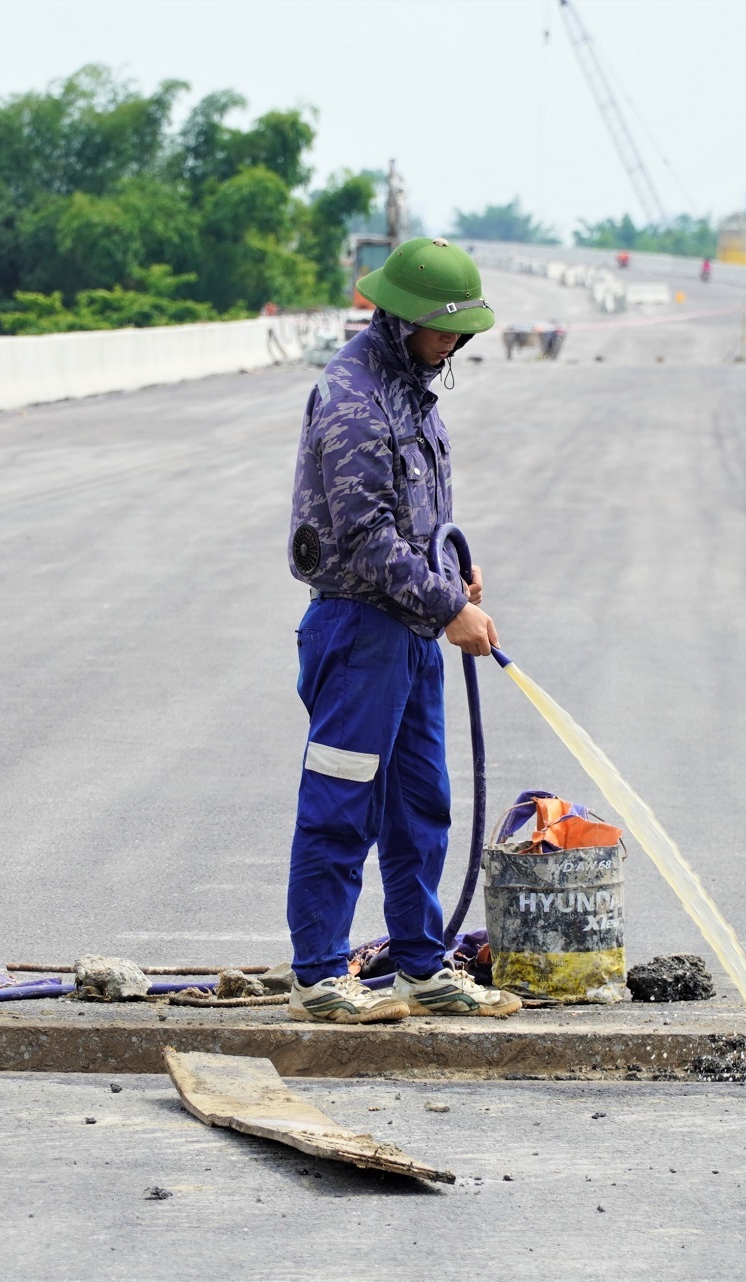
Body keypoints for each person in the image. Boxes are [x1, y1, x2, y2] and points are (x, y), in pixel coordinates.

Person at [284, 237, 522, 1024]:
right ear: (399, 318)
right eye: (442, 329)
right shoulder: (354, 397)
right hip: (359, 633)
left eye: (462, 331)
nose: (453, 344)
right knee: (341, 801)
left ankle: (421, 966)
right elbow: (364, 537)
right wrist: (450, 608)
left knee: (422, 802)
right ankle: (319, 975)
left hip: (411, 630)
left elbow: (421, 521)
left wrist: (454, 578)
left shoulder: (411, 390)